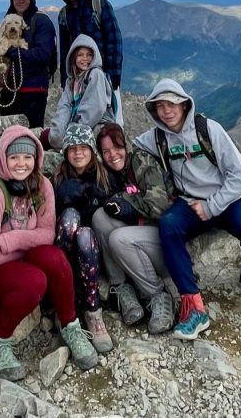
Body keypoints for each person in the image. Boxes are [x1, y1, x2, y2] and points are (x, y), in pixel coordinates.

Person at [134, 79, 241, 339]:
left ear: (184, 105)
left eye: (171, 104)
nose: (166, 111)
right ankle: (193, 307)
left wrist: (211, 206)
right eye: (159, 106)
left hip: (226, 200)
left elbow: (239, 176)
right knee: (168, 226)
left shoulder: (208, 129)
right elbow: (134, 145)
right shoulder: (158, 137)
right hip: (190, 202)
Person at [0, 125, 98, 380]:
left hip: (14, 257)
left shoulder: (42, 185)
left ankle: (70, 325)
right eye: (14, 157)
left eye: (28, 157)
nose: (21, 164)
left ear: (37, 158)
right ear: (3, 158)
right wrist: (26, 249)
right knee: (35, 279)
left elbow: (47, 234)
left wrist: (10, 240)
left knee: (55, 258)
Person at [91, 122, 175, 335]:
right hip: (141, 237)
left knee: (119, 238)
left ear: (126, 145)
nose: (112, 155)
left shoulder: (141, 161)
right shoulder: (111, 174)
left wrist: (127, 201)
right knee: (100, 217)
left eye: (117, 148)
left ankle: (158, 296)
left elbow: (159, 206)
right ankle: (122, 289)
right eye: (106, 151)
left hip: (165, 242)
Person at [51, 123, 112, 352]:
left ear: (92, 150)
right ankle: (67, 296)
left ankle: (92, 309)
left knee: (85, 235)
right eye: (72, 148)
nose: (78, 153)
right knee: (69, 218)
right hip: (65, 247)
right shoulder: (57, 178)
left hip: (94, 251)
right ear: (65, 152)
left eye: (84, 147)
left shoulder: (103, 176)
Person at [54, 0, 122, 122]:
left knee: (110, 119)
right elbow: (65, 48)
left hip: (104, 75)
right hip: (79, 79)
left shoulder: (99, 5)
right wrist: (66, 79)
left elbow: (114, 40)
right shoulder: (64, 15)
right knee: (83, 116)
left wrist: (114, 75)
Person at [0, 0, 56, 131]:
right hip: (9, 89)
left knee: (31, 136)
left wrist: (11, 52)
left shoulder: (41, 21)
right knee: (8, 136)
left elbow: (43, 54)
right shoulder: (8, 20)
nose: (21, 0)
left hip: (33, 90)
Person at [46, 35, 112, 150]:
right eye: (80, 55)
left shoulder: (96, 74)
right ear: (73, 57)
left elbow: (94, 109)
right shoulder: (71, 81)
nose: (85, 58)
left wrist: (73, 131)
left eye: (89, 55)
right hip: (76, 125)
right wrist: (58, 131)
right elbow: (64, 107)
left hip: (96, 125)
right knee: (50, 137)